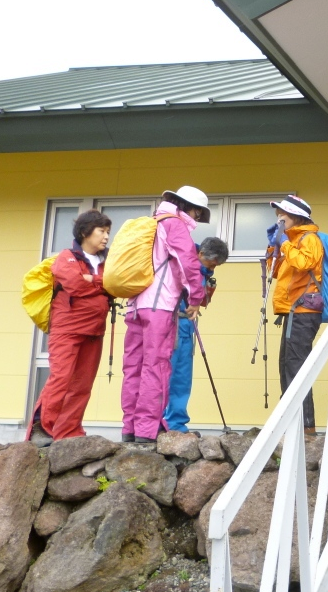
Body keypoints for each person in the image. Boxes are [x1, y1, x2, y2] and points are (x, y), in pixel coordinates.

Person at [121, 187, 207, 443]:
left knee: (133, 367)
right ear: (190, 208)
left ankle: (130, 428)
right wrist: (196, 298)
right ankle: (147, 431)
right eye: (198, 213)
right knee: (156, 366)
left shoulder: (150, 223)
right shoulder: (174, 224)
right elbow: (188, 262)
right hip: (160, 306)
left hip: (135, 305)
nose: (197, 218)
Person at [28, 210, 112, 446]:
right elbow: (75, 285)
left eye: (108, 232)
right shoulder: (67, 256)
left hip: (95, 331)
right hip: (67, 329)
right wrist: (102, 285)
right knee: (61, 378)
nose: (106, 237)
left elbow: (116, 286)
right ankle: (44, 429)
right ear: (86, 232)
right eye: (101, 231)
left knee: (83, 384)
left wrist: (94, 281)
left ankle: (69, 431)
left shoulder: (108, 262)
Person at [267, 194, 324, 429]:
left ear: (296, 216)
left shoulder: (309, 238)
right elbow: (279, 273)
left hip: (304, 311)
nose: (280, 219)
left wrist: (285, 244)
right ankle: (292, 419)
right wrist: (275, 248)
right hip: (293, 311)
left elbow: (304, 264)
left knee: (296, 366)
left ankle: (304, 424)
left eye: (284, 215)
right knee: (286, 365)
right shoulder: (291, 241)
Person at [163, 237, 229, 433]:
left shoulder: (203, 270)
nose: (213, 268)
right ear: (200, 255)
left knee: (182, 377)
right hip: (172, 322)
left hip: (188, 324)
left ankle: (176, 423)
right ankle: (158, 423)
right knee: (166, 374)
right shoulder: (181, 262)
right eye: (212, 264)